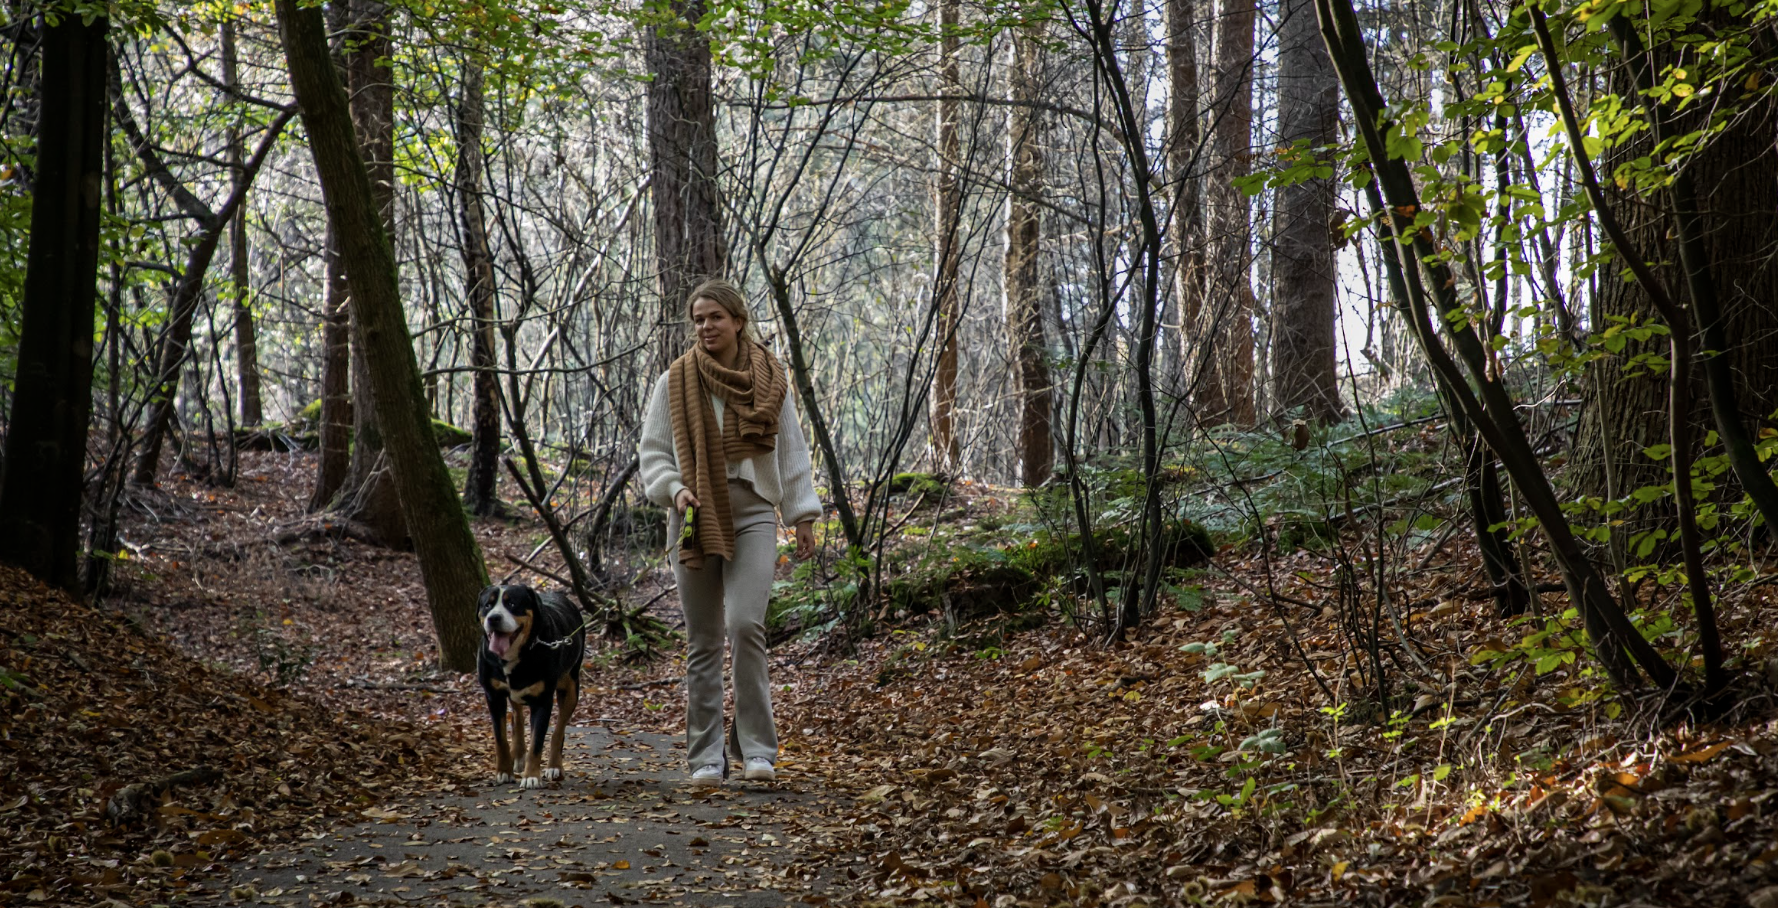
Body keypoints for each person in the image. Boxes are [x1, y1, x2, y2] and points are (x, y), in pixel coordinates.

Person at [638, 278, 820, 782]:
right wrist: (674, 489)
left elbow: (791, 451)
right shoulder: (674, 381)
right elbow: (652, 454)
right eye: (698, 319)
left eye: (715, 317)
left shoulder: (769, 378)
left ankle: (758, 750)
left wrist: (802, 515)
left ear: (738, 321)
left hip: (755, 511)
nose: (705, 326)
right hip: (693, 514)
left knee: (745, 626)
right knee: (703, 639)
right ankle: (705, 757)